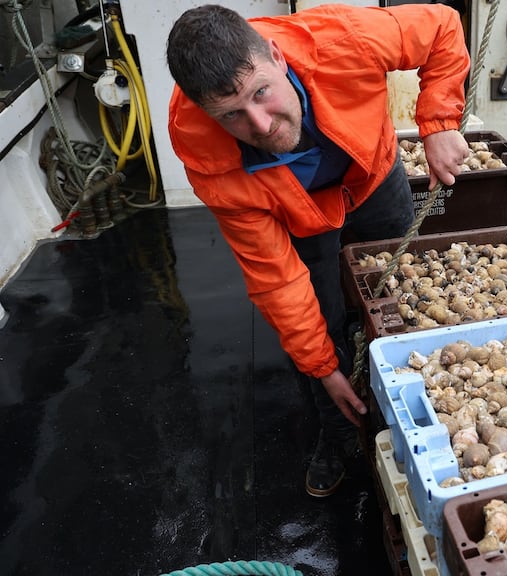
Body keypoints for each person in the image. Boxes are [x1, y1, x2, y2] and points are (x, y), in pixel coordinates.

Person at [165, 3, 471, 497]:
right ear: (206, 112)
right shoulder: (205, 152)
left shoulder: (344, 38)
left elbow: (442, 27)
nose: (261, 124)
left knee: (403, 295)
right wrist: (324, 369)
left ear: (275, 55)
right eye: (232, 116)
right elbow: (277, 280)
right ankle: (337, 436)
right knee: (318, 333)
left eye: (260, 92)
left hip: (373, 178)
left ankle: (430, 407)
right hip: (297, 214)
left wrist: (438, 122)